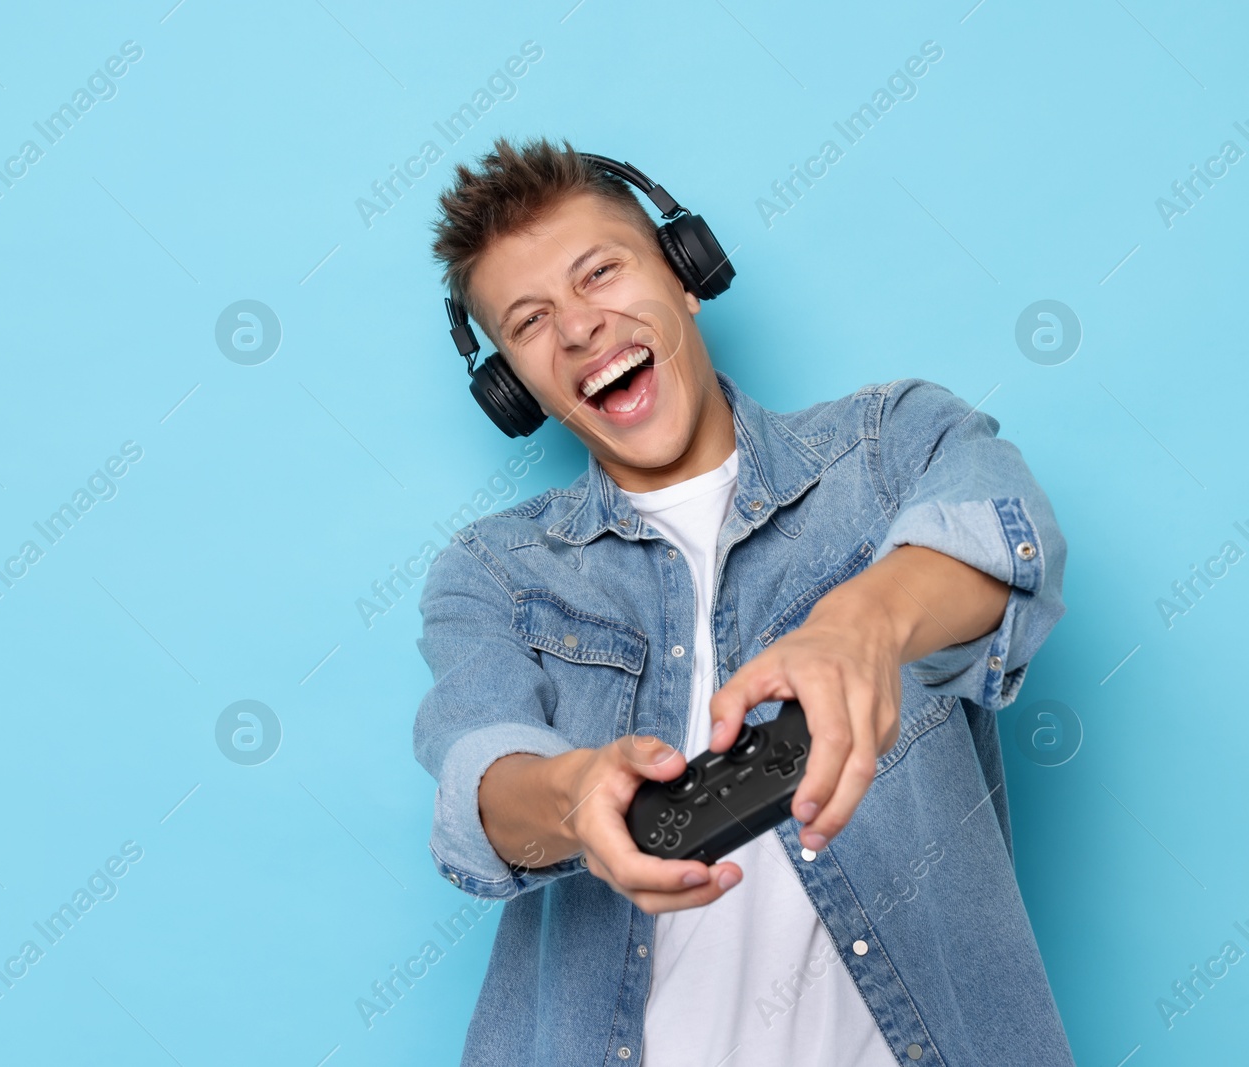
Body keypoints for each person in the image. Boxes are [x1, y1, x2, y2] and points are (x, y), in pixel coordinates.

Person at [411, 135, 1075, 1066]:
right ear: (513, 387)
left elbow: (1007, 534)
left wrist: (864, 624)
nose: (577, 328)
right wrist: (572, 800)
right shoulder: (494, 570)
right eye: (528, 323)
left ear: (687, 273)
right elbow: (480, 770)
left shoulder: (888, 446)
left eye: (600, 272)